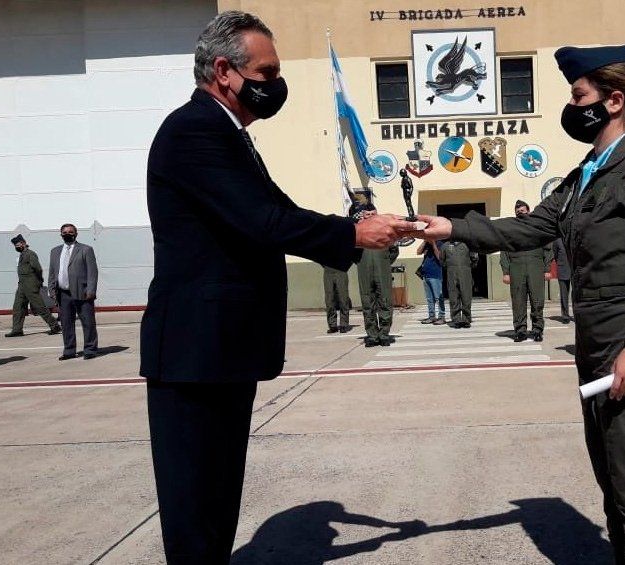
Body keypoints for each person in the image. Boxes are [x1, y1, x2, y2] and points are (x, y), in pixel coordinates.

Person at [140, 11, 413, 563]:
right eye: (265, 72)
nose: (275, 84)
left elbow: (276, 211)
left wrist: (361, 228)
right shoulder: (195, 129)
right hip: (195, 353)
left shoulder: (228, 134)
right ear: (224, 70)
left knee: (217, 497)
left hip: (221, 351)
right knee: (197, 506)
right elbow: (263, 221)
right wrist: (353, 233)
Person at [412, 38, 625, 563]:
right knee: (618, 488)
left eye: (578, 94)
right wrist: (451, 224)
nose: (572, 106)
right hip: (601, 353)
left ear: (613, 101)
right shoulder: (587, 174)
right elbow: (531, 227)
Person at [501, 200, 552, 342]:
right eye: (518, 212)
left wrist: (547, 268)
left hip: (536, 266)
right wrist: (506, 272)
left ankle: (537, 330)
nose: (520, 213)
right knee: (518, 301)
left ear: (528, 212)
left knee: (537, 300)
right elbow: (504, 250)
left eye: (523, 211)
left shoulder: (537, 228)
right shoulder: (511, 229)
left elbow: (548, 248)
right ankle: (520, 330)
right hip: (516, 267)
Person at [48, 223, 100, 360]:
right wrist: (51, 290)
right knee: (66, 323)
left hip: (82, 292)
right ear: (61, 234)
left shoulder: (85, 250)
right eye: (64, 232)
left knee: (88, 322)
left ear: (76, 234)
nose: (67, 234)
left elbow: (92, 272)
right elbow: (53, 272)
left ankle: (90, 349)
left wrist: (91, 290)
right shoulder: (55, 251)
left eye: (70, 232)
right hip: (63, 293)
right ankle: (69, 350)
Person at [355, 202, 400, 346]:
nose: (370, 217)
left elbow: (394, 250)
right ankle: (373, 336)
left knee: (385, 301)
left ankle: (384, 334)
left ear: (377, 214)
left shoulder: (385, 230)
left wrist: (385, 262)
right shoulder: (358, 230)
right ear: (363, 215)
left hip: (382, 270)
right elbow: (352, 251)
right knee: (368, 303)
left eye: (373, 214)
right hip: (364, 271)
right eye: (367, 215)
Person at [6, 234, 61, 337]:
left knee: (39, 307)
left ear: (24, 243)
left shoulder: (30, 254)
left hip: (31, 284)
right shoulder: (22, 255)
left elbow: (38, 269)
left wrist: (39, 281)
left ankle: (54, 325)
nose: (16, 247)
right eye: (15, 246)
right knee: (18, 307)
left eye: (18, 244)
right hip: (22, 285)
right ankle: (17, 329)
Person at [442, 239, 475, 328]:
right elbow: (442, 260)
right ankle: (456, 319)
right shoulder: (445, 245)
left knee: (466, 296)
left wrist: (467, 267)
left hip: (465, 272)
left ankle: (466, 319)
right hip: (451, 273)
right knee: (453, 296)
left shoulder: (467, 244)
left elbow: (474, 258)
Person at [417, 239, 446, 325]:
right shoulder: (426, 244)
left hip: (435, 275)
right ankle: (432, 316)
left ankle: (442, 317)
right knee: (430, 299)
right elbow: (418, 252)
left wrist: (433, 244)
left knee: (438, 297)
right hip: (426, 275)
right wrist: (424, 242)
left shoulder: (440, 243)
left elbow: (439, 257)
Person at [322, 265, 351, 333]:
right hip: (328, 271)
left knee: (343, 298)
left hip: (341, 271)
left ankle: (343, 324)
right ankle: (332, 325)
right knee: (329, 299)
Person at [553, 237, 572, 323]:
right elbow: (555, 254)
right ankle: (565, 316)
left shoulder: (574, 237)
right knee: (564, 294)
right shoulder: (557, 240)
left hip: (575, 269)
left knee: (577, 294)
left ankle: (578, 314)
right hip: (563, 268)